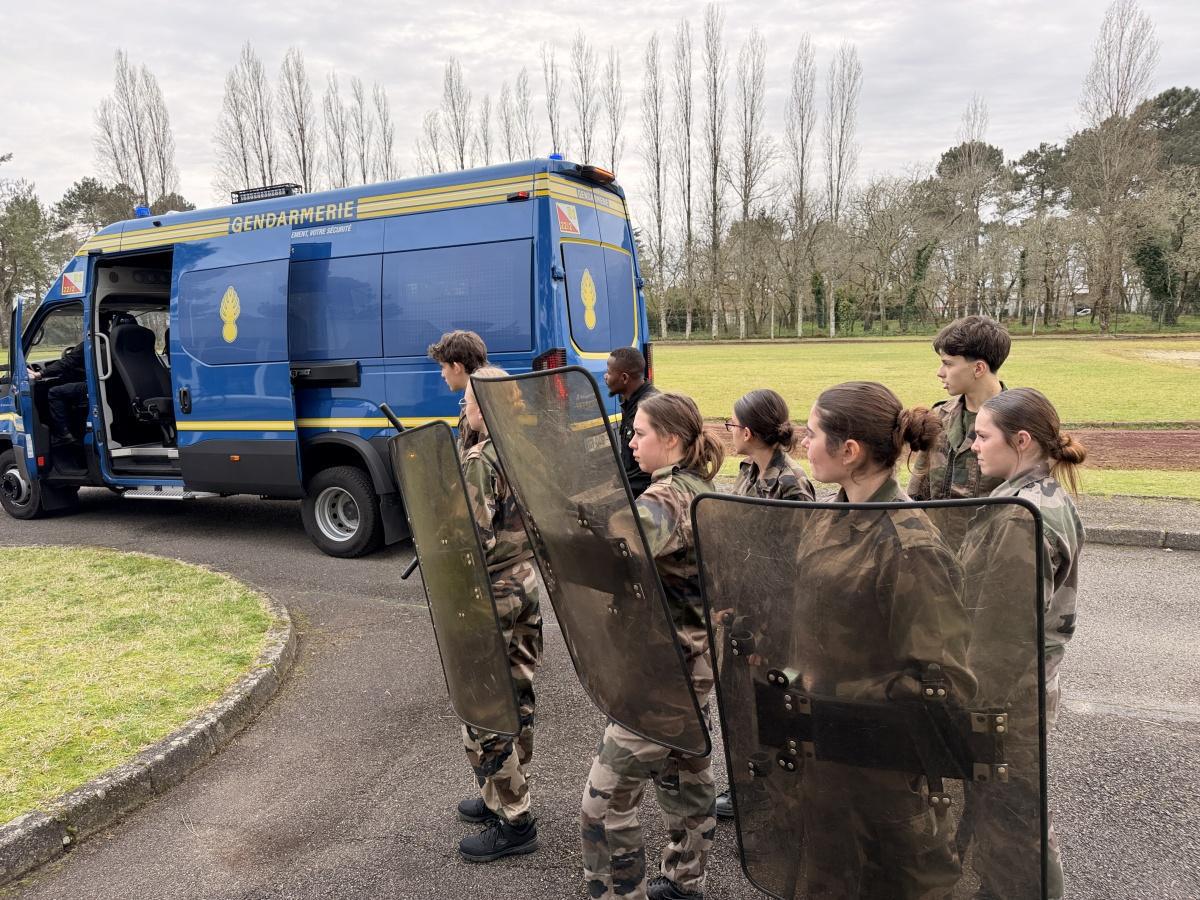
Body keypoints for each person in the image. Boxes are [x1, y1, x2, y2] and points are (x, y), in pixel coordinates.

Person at [793, 381, 975, 898]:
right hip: (826, 761)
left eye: (811, 435)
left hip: (886, 779)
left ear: (848, 451)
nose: (803, 445)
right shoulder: (828, 516)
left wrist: (833, 694)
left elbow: (942, 684)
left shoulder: (909, 545)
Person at [579, 391, 724, 900]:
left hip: (665, 673)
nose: (630, 440)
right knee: (685, 778)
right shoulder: (694, 486)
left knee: (604, 802)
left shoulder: (665, 498)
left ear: (673, 440)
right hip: (692, 662)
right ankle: (686, 882)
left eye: (640, 433)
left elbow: (622, 553)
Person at [957, 388, 1086, 900]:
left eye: (983, 436)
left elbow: (1001, 635)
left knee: (1015, 820)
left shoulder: (1020, 515)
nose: (972, 446)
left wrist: (972, 707)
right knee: (1018, 814)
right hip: (1027, 687)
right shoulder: (1040, 496)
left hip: (1008, 698)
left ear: (1023, 440)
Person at [454, 366, 544, 862]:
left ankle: (515, 818)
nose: (463, 406)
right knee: (518, 693)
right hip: (525, 583)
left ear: (486, 404)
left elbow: (472, 537)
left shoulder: (482, 459)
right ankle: (502, 794)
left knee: (485, 708)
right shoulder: (522, 445)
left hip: (493, 590)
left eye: (468, 398)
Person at [714, 388, 814, 820]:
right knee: (740, 710)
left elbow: (792, 573)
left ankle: (781, 804)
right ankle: (749, 787)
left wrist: (768, 633)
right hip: (742, 617)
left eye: (732, 425)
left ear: (750, 432)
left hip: (771, 626)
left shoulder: (791, 485)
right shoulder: (747, 473)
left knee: (773, 712)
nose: (727, 431)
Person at [908, 315, 1011, 505]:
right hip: (935, 533)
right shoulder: (939, 417)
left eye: (947, 363)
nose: (940, 372)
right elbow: (917, 490)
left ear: (978, 368)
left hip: (990, 534)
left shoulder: (1018, 423)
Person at [604, 346, 659, 498]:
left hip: (643, 495)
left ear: (624, 378)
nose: (605, 377)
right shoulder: (630, 401)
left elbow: (647, 469)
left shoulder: (648, 408)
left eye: (609, 372)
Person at [427, 330, 488, 454]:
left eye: (443, 367)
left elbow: (475, 465)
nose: (442, 374)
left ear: (456, 367)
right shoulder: (488, 397)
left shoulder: (476, 410)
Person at [28, 343, 87, 444]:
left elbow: (68, 362)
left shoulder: (90, 342)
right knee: (55, 385)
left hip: (89, 386)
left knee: (54, 392)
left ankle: (64, 434)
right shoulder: (104, 339)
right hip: (95, 382)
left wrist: (40, 374)